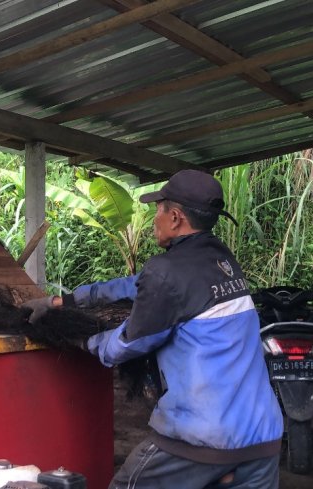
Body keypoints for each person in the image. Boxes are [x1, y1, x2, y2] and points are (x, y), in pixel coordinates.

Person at [24, 169, 283, 489]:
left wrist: (76, 335)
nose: (153, 219)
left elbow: (123, 346)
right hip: (263, 436)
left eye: (157, 211)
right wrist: (64, 301)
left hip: (204, 439)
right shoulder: (221, 260)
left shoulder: (168, 273)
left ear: (175, 217)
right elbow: (136, 285)